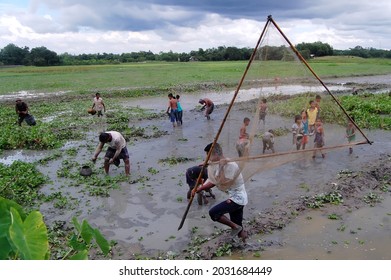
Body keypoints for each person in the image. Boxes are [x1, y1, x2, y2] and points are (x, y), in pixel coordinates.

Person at [192, 143, 248, 242]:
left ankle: (236, 229)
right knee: (238, 226)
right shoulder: (216, 164)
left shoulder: (230, 165)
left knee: (214, 213)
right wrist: (200, 188)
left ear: (216, 154)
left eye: (208, 155)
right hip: (233, 196)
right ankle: (245, 244)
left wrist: (221, 167)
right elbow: (212, 179)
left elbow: (221, 182)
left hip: (238, 198)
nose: (207, 158)